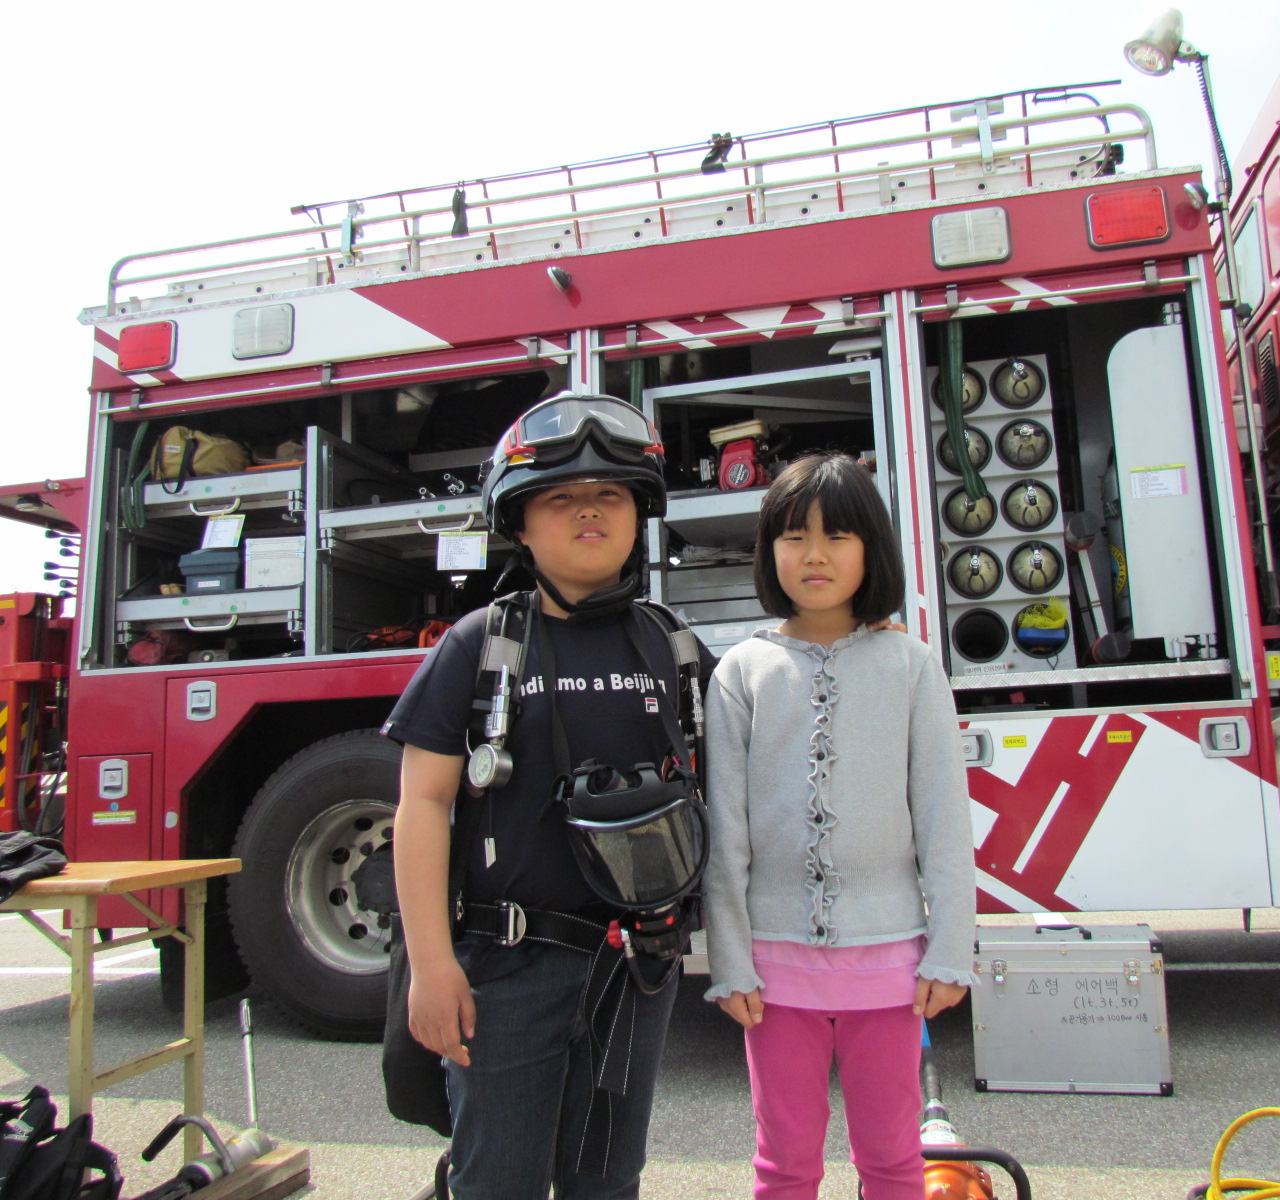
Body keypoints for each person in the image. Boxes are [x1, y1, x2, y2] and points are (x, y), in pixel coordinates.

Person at [382, 392, 715, 1200]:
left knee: (608, 1183)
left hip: (637, 970)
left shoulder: (674, 648)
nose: (588, 511)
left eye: (609, 495)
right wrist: (430, 966)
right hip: (504, 972)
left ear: (640, 515)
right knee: (498, 1183)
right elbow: (421, 805)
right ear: (520, 525)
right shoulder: (480, 645)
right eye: (560, 497)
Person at [701, 452, 978, 1200]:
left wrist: (950, 948)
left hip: (891, 969)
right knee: (784, 1164)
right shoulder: (740, 672)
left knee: (892, 1160)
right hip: (773, 971)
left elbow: (944, 819)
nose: (815, 555)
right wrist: (730, 959)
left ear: (872, 548)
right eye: (794, 536)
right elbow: (725, 833)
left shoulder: (911, 665)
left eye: (838, 536)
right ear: (769, 552)